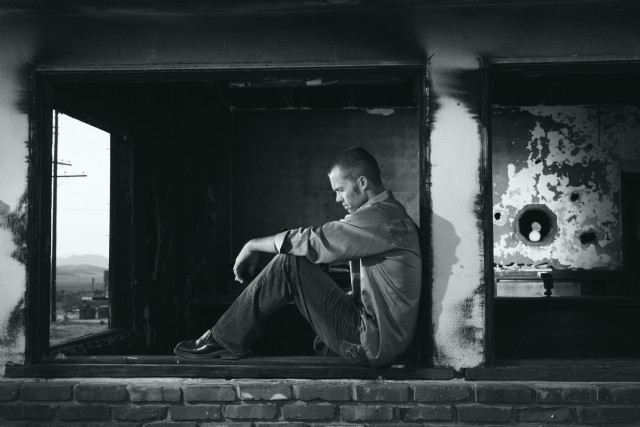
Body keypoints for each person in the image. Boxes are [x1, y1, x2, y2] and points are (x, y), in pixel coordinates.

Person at [174, 147, 422, 366]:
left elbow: (317, 240)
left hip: (372, 346)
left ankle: (222, 339)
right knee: (302, 262)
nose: (337, 198)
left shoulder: (380, 218)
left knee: (290, 262)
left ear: (363, 183)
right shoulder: (389, 215)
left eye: (340, 190)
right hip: (380, 342)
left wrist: (252, 245)